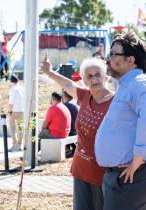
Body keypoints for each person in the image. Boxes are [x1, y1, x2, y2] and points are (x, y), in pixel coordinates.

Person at [95, 31, 146, 210]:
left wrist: (137, 159)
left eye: (113, 54)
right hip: (124, 176)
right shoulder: (128, 84)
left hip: (130, 176)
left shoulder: (138, 83)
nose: (108, 59)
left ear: (130, 60)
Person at [41, 54, 114, 210]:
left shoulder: (116, 102)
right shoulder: (86, 95)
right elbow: (67, 84)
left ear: (106, 77)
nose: (94, 79)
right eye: (89, 76)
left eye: (97, 75)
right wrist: (49, 72)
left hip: (103, 172)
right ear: (85, 81)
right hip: (81, 168)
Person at [8, 75, 25, 152]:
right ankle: (19, 144)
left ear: (11, 81)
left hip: (14, 110)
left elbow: (11, 102)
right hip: (22, 111)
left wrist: (9, 111)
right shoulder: (22, 88)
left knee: (12, 128)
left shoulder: (13, 89)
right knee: (20, 128)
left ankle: (14, 143)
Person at [63, 90, 79, 156]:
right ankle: (69, 149)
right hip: (76, 130)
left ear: (64, 96)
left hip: (70, 131)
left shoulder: (65, 106)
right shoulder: (74, 105)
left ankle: (67, 150)